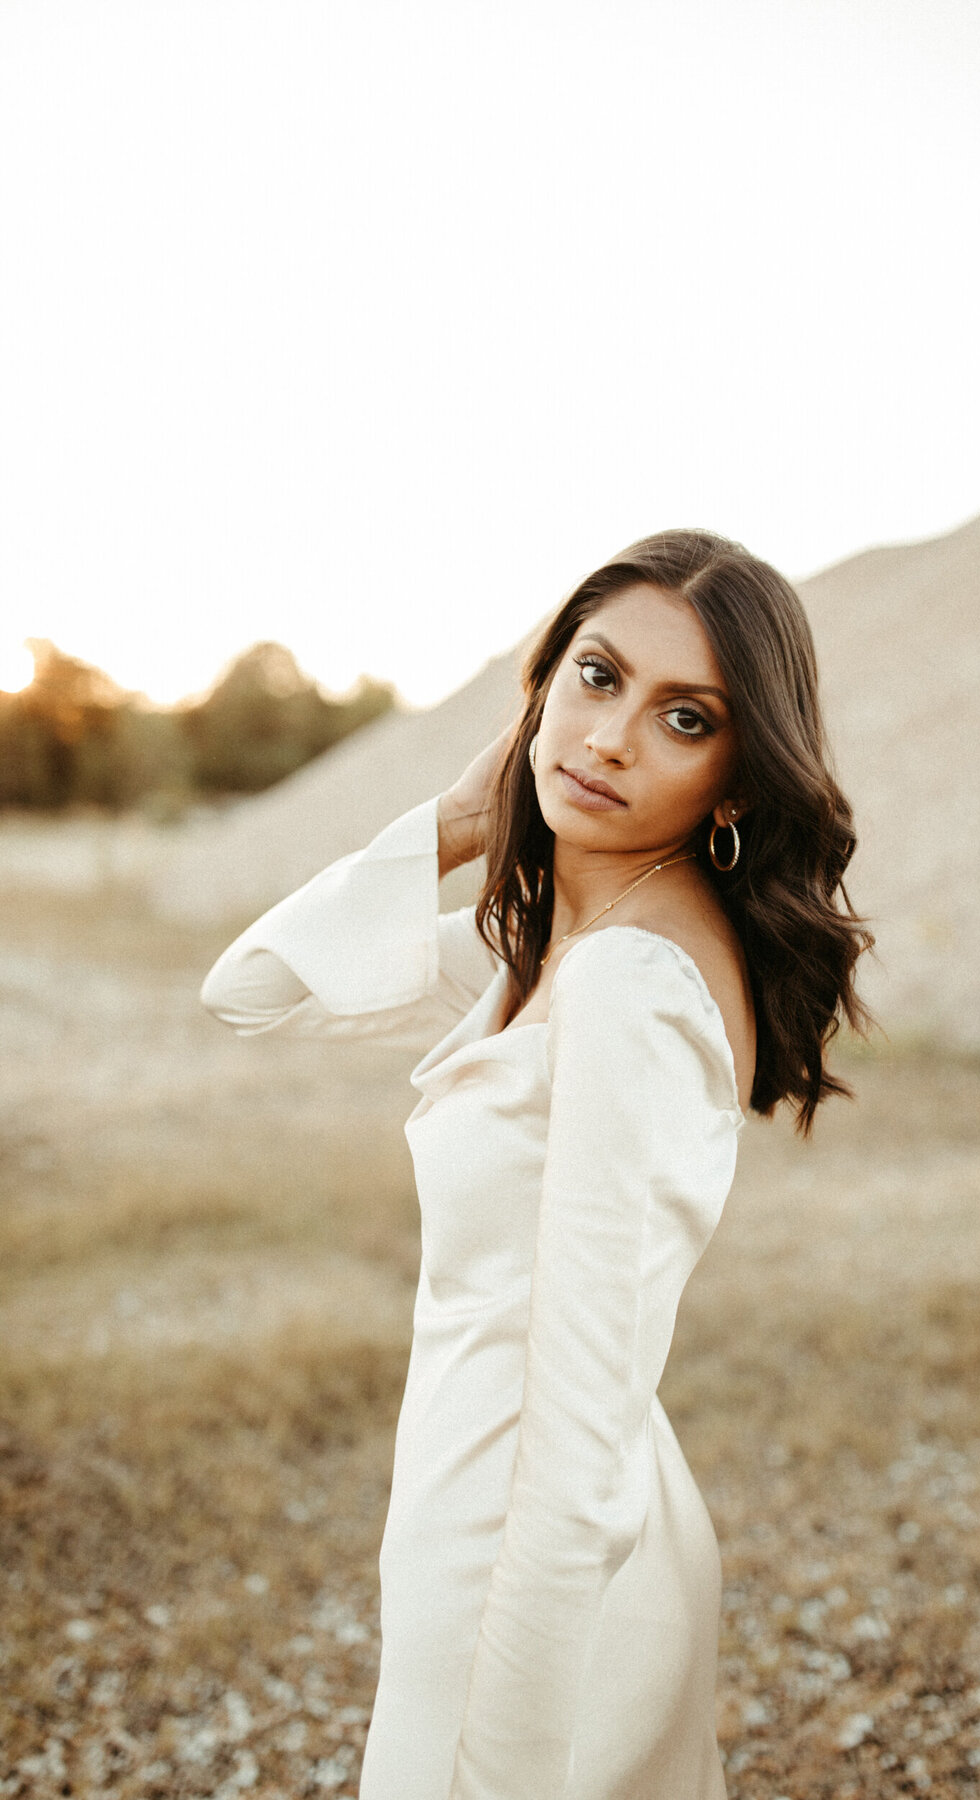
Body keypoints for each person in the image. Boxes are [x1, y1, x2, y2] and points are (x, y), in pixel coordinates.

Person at [200, 528, 875, 1800]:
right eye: (597, 676)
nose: (612, 738)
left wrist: (507, 1745)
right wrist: (457, 822)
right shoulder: (539, 954)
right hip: (502, 1506)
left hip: (530, 1557)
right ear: (541, 688)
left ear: (737, 778)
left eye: (685, 718)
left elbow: (577, 1423)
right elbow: (250, 993)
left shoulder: (624, 982)